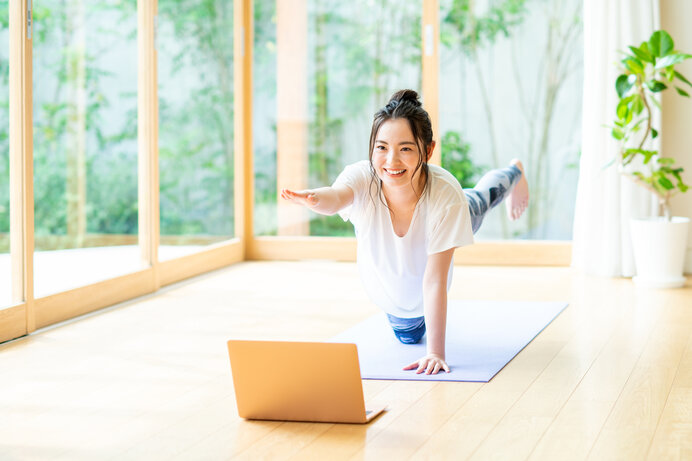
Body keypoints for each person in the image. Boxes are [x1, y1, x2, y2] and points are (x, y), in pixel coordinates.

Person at [281, 89, 529, 375]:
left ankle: (514, 172)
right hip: (399, 299)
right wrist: (312, 197)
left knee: (480, 199)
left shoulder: (445, 195)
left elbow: (435, 279)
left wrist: (435, 352)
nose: (391, 161)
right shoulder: (362, 177)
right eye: (382, 147)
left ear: (428, 150)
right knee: (408, 337)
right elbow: (336, 197)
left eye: (406, 148)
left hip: (447, 210)